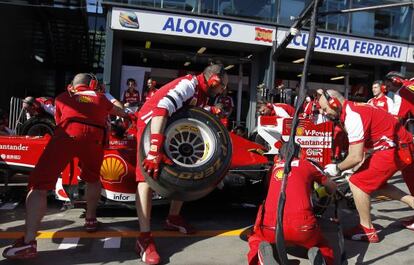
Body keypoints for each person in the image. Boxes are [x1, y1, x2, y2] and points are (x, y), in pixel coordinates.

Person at [2, 73, 128, 260]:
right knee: (93, 178)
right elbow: (122, 112)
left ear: (72, 86)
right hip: (95, 137)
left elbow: (59, 122)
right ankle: (91, 220)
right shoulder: (101, 98)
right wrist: (106, 96)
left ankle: (28, 242)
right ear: (93, 84)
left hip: (68, 134)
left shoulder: (63, 97)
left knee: (39, 185)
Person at [134, 64, 228, 265]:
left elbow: (189, 108)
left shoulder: (201, 94)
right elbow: (162, 107)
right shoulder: (188, 84)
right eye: (223, 87)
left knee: (187, 165)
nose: (223, 92)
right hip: (151, 120)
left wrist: (210, 110)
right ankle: (144, 238)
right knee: (146, 176)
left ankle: (173, 218)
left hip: (170, 122)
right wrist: (154, 149)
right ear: (214, 81)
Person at [317, 89, 414, 243]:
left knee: (358, 183)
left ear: (334, 103)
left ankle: (367, 230)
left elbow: (355, 156)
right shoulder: (353, 110)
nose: (323, 112)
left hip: (395, 149)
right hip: (397, 146)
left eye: (324, 108)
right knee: (375, 184)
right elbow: (360, 152)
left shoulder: (352, 116)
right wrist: (352, 167)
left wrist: (338, 168)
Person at [247, 142, 336, 265]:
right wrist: (322, 191)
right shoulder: (307, 165)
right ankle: (322, 258)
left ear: (279, 155)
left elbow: (270, 189)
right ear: (300, 153)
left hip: (272, 226)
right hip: (303, 228)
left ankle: (260, 257)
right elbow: (332, 187)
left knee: (256, 239)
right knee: (322, 244)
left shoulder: (273, 168)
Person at [384, 71, 414, 229]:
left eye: (389, 85)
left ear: (396, 80)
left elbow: (396, 119)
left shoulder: (404, 90)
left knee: (409, 173)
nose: (387, 88)